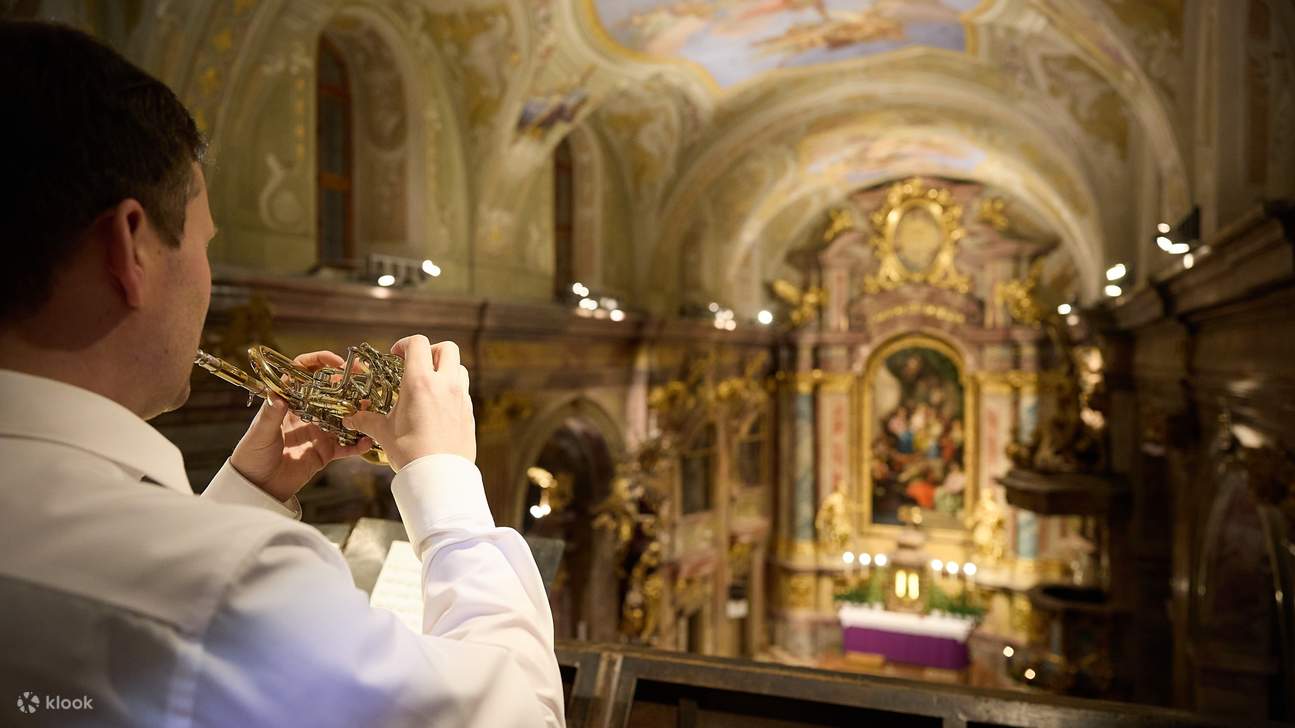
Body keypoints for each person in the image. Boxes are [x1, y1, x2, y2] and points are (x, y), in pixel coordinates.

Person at [0, 20, 564, 728]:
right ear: (129, 247)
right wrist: (445, 476)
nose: (203, 279)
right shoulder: (231, 580)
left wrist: (248, 495)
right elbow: (524, 712)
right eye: (204, 245)